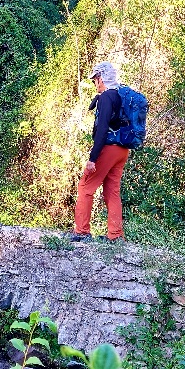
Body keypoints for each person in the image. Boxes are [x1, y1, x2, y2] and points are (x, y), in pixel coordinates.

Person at [72, 61, 129, 242]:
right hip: (123, 150)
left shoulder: (106, 97)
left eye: (95, 79)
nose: (95, 83)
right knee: (112, 191)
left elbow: (103, 128)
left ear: (101, 78)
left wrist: (92, 158)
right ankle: (115, 235)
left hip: (109, 148)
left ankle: (82, 232)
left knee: (86, 187)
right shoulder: (121, 96)